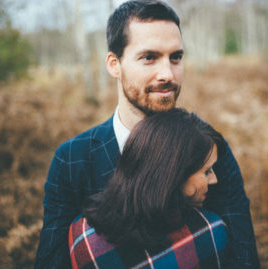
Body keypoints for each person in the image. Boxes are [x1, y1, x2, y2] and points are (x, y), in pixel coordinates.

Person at [35, 0, 260, 268]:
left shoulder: (208, 149)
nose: (167, 74)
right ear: (114, 64)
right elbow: (52, 261)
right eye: (149, 57)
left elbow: (243, 255)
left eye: (176, 57)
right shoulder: (73, 159)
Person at [69, 108, 229, 268]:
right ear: (174, 176)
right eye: (207, 171)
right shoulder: (211, 232)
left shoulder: (82, 236)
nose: (214, 179)